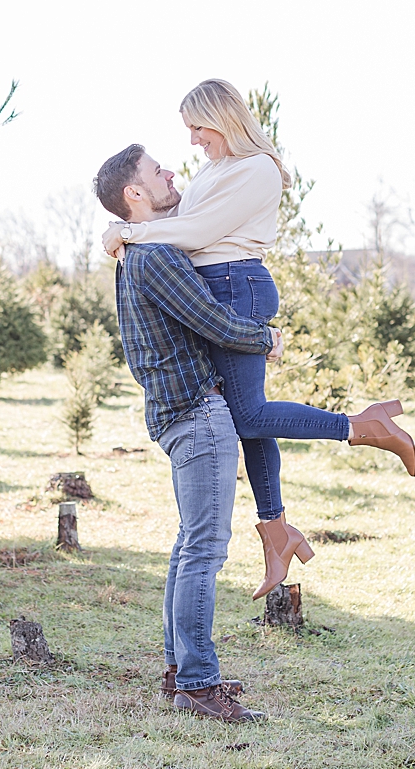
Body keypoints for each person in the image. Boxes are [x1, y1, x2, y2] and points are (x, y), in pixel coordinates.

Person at [101, 79, 415, 599]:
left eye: (197, 128)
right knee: (246, 415)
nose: (194, 140)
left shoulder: (257, 170)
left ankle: (363, 428)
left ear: (220, 119)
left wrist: (129, 233)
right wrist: (130, 227)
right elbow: (181, 221)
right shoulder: (215, 170)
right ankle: (276, 532)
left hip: (236, 288)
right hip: (220, 286)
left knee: (247, 414)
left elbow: (199, 234)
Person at [93, 144, 279, 723]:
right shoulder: (156, 258)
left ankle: (180, 670)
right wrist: (263, 338)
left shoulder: (137, 253)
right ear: (135, 194)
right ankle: (198, 686)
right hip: (198, 413)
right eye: (157, 172)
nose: (172, 172)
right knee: (204, 549)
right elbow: (214, 323)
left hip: (182, 415)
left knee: (187, 546)